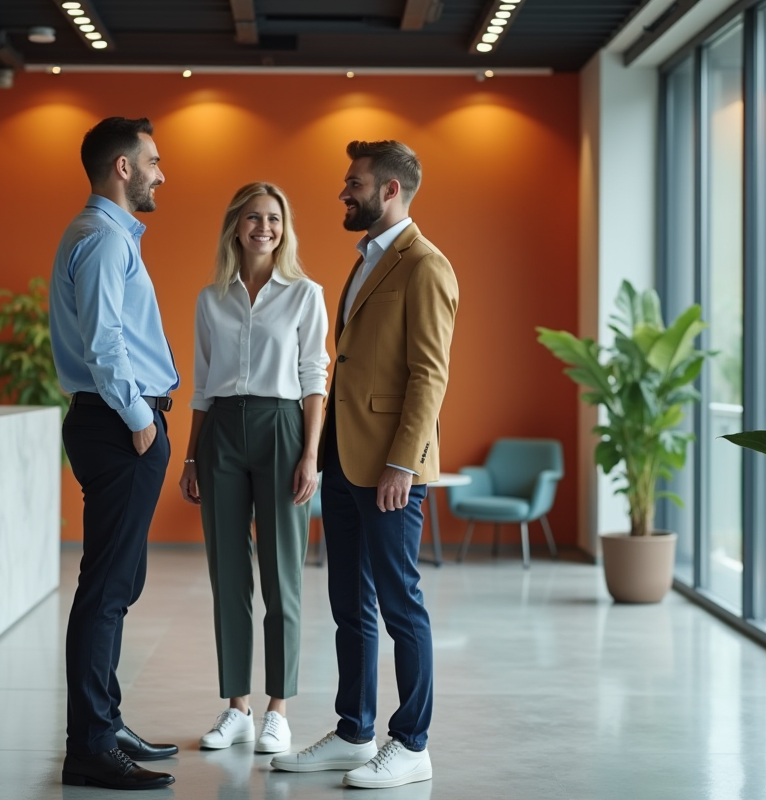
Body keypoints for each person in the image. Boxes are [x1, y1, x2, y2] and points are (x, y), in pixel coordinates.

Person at [271, 140, 458, 789]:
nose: (343, 192)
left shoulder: (425, 265)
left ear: (390, 190)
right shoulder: (367, 261)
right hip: (347, 463)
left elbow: (429, 375)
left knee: (400, 604)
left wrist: (403, 463)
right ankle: (355, 732)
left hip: (390, 471)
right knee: (350, 604)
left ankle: (412, 743)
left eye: (354, 183)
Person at [50, 116, 179, 791]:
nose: (162, 173)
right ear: (123, 167)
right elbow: (105, 342)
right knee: (106, 590)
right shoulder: (103, 238)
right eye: (153, 161)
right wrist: (140, 420)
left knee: (117, 585)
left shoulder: (101, 233)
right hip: (119, 425)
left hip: (111, 423)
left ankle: (106, 722)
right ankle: (91, 746)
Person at [178, 182, 330, 756]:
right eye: (253, 217)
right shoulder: (210, 298)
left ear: (284, 229)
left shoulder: (305, 294)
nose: (264, 227)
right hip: (220, 431)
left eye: (274, 218)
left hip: (282, 429)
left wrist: (310, 455)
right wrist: (191, 455)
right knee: (228, 574)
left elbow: (314, 379)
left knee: (282, 575)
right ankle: (237, 708)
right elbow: (201, 384)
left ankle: (278, 711)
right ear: (235, 227)